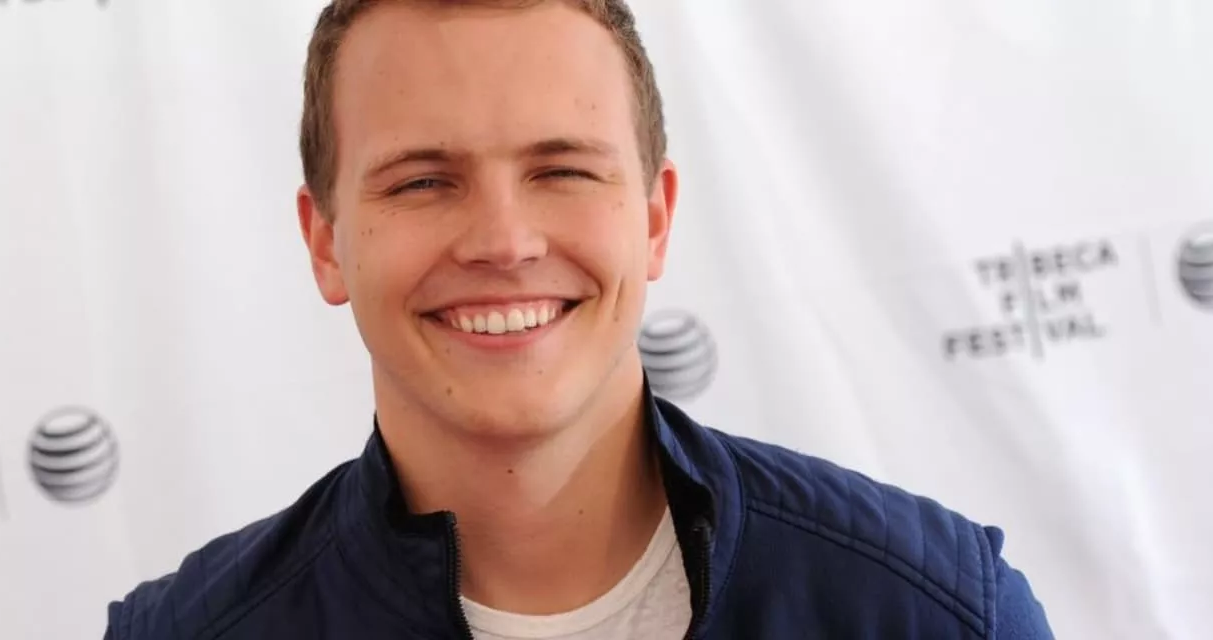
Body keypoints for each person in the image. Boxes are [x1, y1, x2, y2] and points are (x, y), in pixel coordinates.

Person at [105, 1, 1055, 638]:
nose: (504, 242)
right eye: (423, 181)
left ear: (655, 219)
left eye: (561, 170)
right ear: (324, 242)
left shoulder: (929, 613)